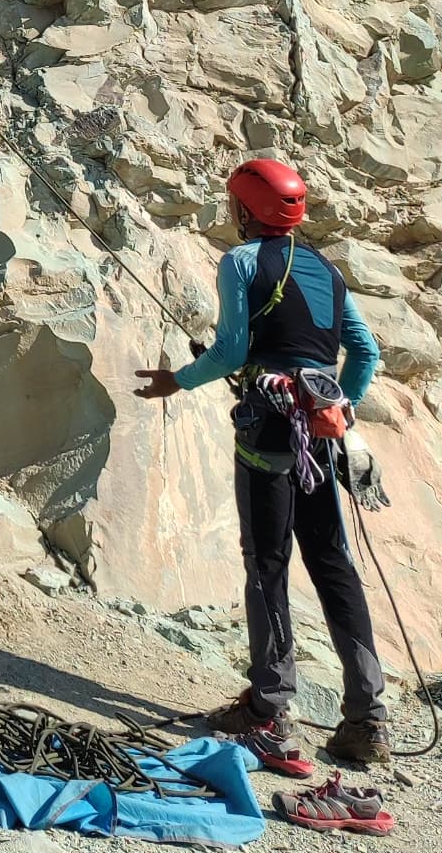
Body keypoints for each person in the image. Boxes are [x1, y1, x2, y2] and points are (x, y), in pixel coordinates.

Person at [135, 157, 390, 770]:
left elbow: (230, 351)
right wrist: (341, 408)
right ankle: (367, 720)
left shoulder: (242, 262)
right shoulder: (327, 269)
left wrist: (177, 380)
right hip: (320, 434)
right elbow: (365, 352)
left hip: (268, 432)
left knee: (267, 563)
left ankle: (270, 710)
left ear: (245, 209)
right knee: (332, 562)